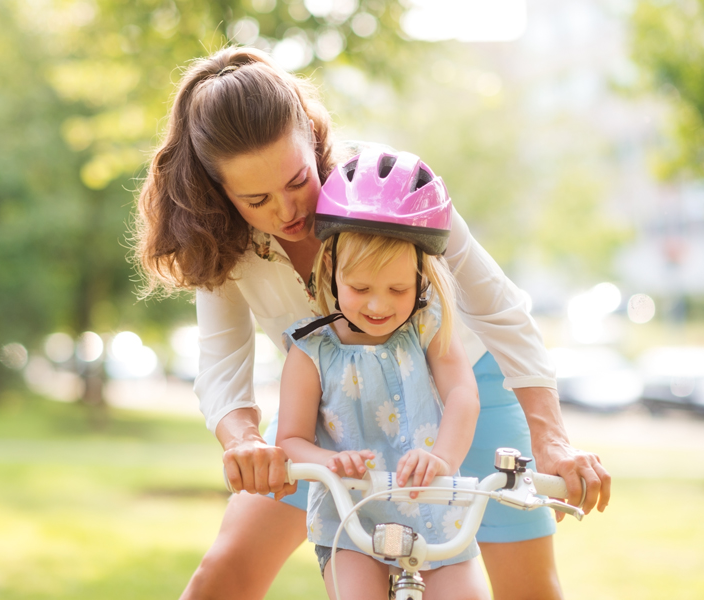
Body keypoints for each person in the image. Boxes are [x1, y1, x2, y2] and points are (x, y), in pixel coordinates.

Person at [133, 46, 611, 600]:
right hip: (334, 412)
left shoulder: (388, 185)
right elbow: (222, 365)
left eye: (296, 181)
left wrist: (550, 440)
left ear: (311, 139)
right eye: (256, 199)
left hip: (462, 391)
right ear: (218, 192)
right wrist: (243, 442)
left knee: (529, 590)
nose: (286, 211)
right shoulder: (223, 243)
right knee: (223, 576)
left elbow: (499, 307)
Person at [276, 149, 488, 600]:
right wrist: (328, 462)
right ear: (332, 273)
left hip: (434, 508)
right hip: (353, 517)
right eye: (360, 289)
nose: (378, 305)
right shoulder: (310, 349)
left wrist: (444, 460)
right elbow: (289, 439)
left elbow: (463, 397)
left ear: (420, 280)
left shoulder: (427, 326)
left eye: (397, 289)